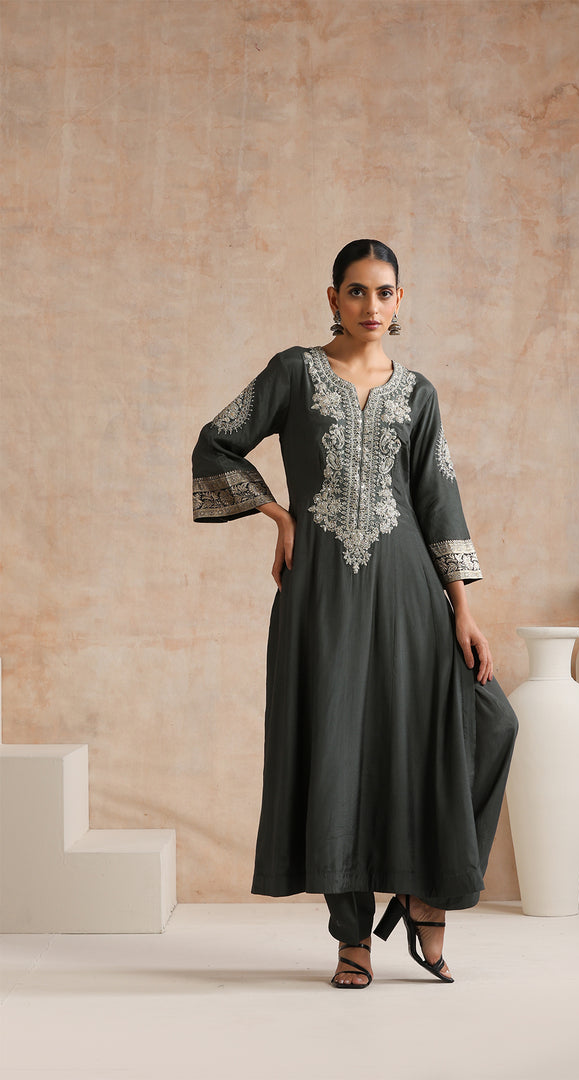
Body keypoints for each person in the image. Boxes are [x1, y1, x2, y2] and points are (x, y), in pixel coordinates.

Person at [192, 239, 518, 989]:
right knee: (339, 746)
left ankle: (427, 893)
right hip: (323, 594)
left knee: (488, 724)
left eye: (386, 292)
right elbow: (216, 444)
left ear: (400, 301)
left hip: (410, 594)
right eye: (358, 291)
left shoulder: (419, 394)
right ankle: (352, 940)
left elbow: (439, 502)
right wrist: (279, 516)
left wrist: (463, 610)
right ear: (333, 297)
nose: (373, 306)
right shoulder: (293, 373)